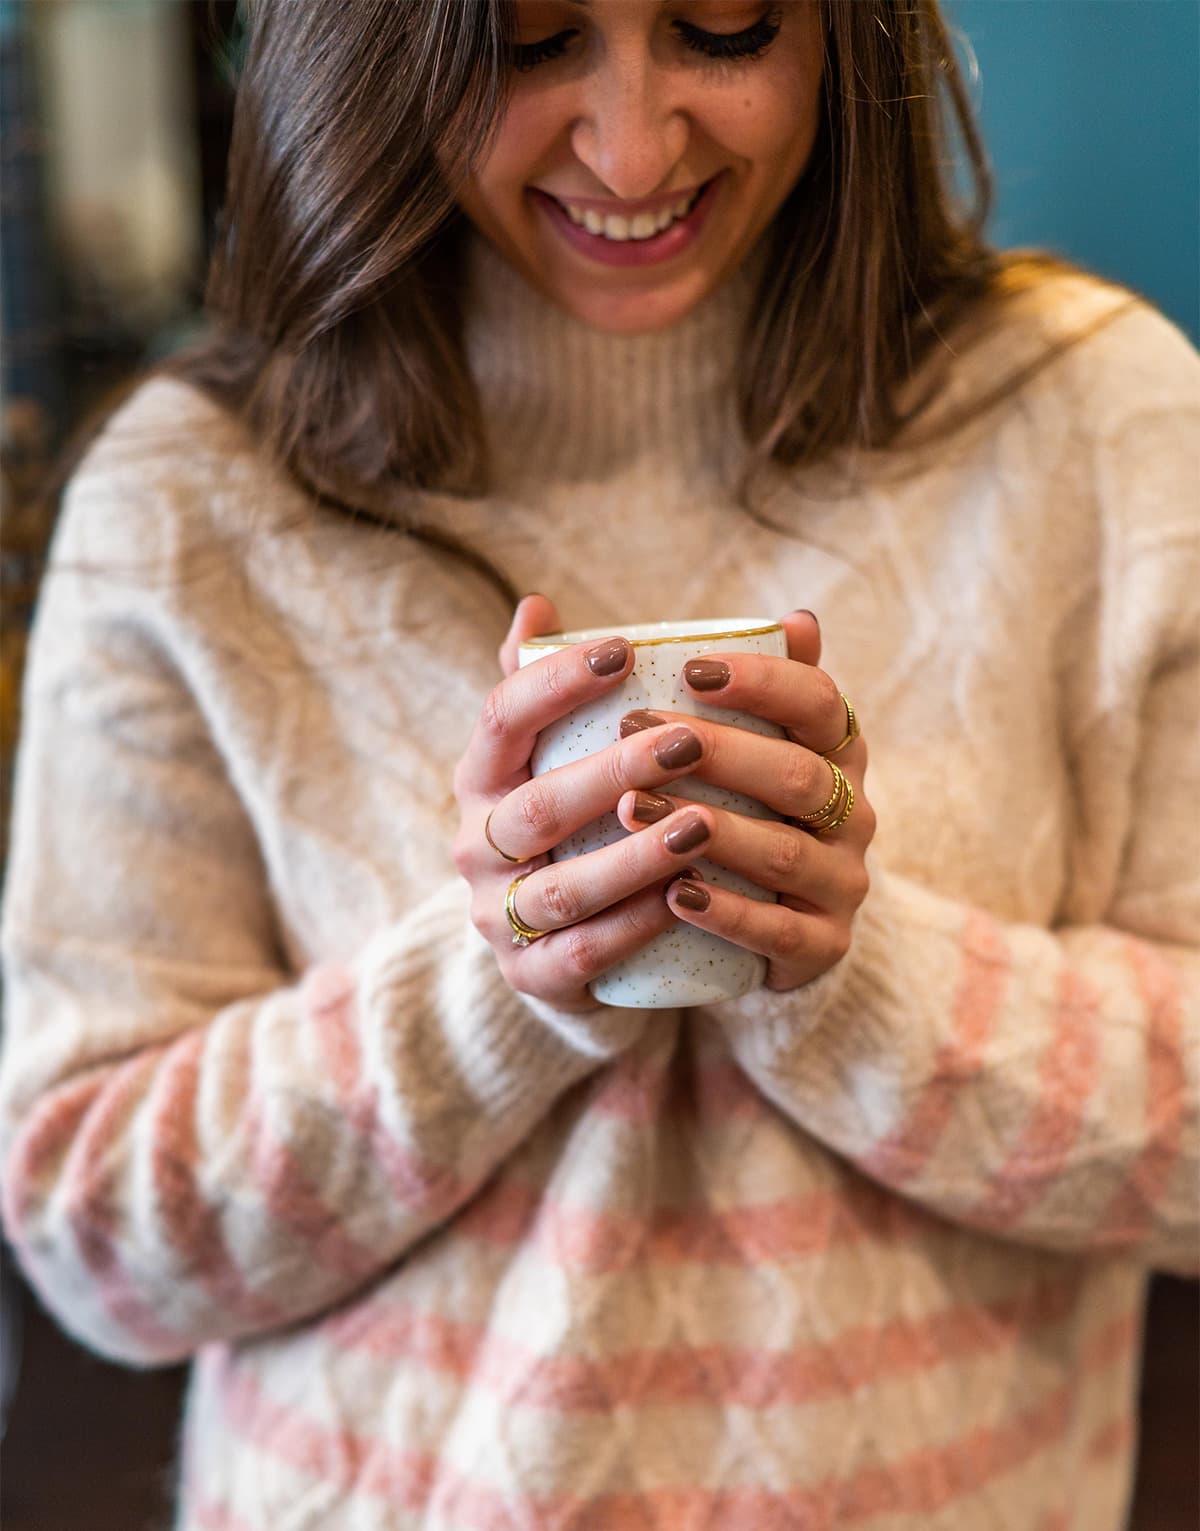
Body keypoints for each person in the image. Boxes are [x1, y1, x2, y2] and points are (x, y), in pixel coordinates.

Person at [1, 1, 1196, 1527]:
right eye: (524, 42)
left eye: (724, 27)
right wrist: (491, 981)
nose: (632, 146)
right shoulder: (191, 498)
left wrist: (853, 978)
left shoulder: (1099, 423)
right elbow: (96, 1242)